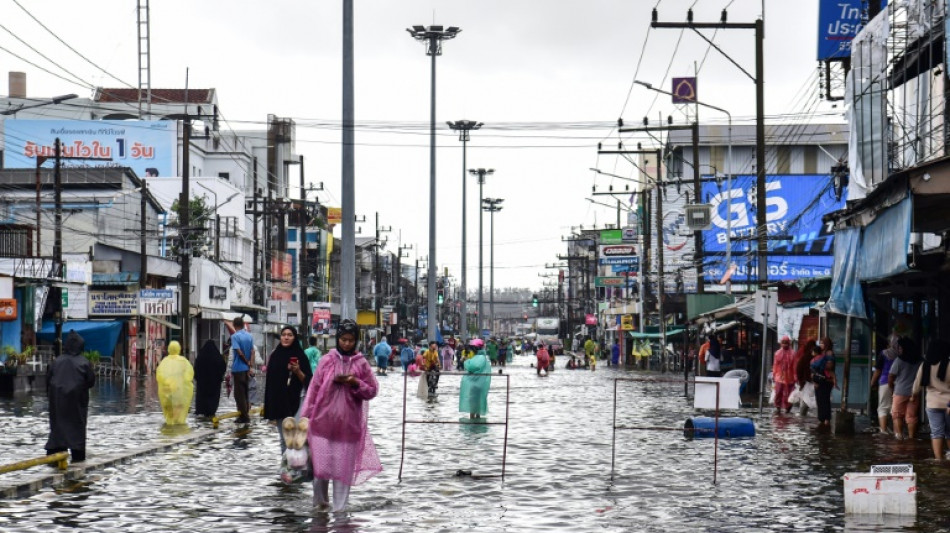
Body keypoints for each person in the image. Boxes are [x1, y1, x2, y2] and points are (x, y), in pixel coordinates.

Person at [299, 319, 381, 512]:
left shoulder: (361, 364)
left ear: (356, 341)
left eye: (350, 340)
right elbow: (313, 389)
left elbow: (372, 390)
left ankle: (340, 514)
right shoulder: (327, 360)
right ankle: (320, 511)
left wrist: (355, 382)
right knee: (320, 472)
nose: (346, 343)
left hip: (348, 428)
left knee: (343, 474)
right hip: (321, 425)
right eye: (343, 339)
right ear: (338, 339)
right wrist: (305, 418)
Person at [45, 330, 95, 462]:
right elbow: (91, 381)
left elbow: (48, 381)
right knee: (76, 434)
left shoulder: (56, 362)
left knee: (57, 430)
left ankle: (55, 453)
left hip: (57, 403)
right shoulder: (84, 363)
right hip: (77, 404)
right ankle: (77, 455)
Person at [263, 325, 313, 450]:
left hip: (297, 400)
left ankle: (299, 466)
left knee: (297, 436)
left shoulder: (301, 356)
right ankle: (286, 467)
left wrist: (298, 371)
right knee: (284, 437)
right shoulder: (275, 355)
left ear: (294, 338)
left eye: (289, 335)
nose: (286, 337)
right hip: (280, 402)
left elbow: (310, 382)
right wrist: (270, 405)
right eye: (284, 335)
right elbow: (270, 383)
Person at [914, 339, 950, 459]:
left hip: (932, 404)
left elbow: (917, 385)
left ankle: (938, 460)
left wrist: (913, 395)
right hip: (948, 404)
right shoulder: (949, 364)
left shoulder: (925, 365)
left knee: (936, 433)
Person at [888, 337, 922, 440]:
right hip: (914, 393)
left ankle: (899, 436)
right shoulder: (920, 360)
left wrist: (891, 388)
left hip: (900, 391)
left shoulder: (899, 360)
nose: (899, 349)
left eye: (901, 347)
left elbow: (891, 376)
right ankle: (911, 437)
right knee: (911, 416)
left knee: (897, 415)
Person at [156, 340, 194, 426]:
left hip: (167, 391)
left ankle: (170, 424)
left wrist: (167, 383)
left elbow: (159, 375)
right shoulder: (183, 361)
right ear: (179, 349)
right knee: (179, 408)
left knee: (169, 409)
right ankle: (179, 425)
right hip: (179, 391)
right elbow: (189, 375)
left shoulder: (164, 361)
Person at [230, 316, 257, 424]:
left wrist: (246, 362)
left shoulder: (235, 336)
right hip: (247, 369)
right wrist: (250, 365)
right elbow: (252, 352)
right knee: (246, 392)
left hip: (238, 368)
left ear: (234, 325)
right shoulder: (249, 336)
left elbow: (239, 352)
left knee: (239, 394)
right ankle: (244, 414)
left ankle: (244, 417)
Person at [870, 334, 898, 433]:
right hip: (899, 384)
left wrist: (872, 382)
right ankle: (897, 432)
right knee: (895, 408)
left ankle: (883, 430)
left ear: (889, 343)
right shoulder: (901, 354)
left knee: (882, 408)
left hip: (885, 382)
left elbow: (878, 370)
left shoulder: (884, 353)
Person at [194, 339, 226, 417]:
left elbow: (196, 368)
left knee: (202, 396)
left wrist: (198, 378)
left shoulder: (200, 356)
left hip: (202, 383)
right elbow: (222, 367)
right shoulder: (218, 357)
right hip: (214, 383)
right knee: (213, 398)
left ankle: (201, 410)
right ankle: (211, 411)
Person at [460, 340, 491, 418]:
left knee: (473, 403)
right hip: (479, 384)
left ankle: (473, 422)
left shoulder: (480, 357)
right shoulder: (482, 357)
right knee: (477, 403)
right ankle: (476, 422)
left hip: (476, 384)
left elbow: (473, 367)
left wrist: (466, 361)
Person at [811, 341, 837, 429]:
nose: (821, 345)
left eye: (823, 343)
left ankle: (826, 419)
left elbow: (829, 367)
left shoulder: (828, 353)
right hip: (819, 380)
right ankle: (822, 418)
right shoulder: (820, 355)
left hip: (826, 380)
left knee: (824, 399)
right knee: (820, 399)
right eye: (820, 343)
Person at [772, 335, 797, 414]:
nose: (785, 345)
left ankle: (788, 407)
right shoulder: (777, 353)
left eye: (786, 343)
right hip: (779, 376)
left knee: (789, 393)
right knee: (778, 391)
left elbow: (794, 366)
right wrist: (774, 374)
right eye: (783, 343)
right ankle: (778, 406)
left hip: (790, 377)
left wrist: (795, 376)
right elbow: (775, 364)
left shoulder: (793, 353)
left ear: (789, 343)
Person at [795, 338, 818, 416]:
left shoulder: (806, 356)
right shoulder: (808, 357)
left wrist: (801, 381)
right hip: (809, 381)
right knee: (807, 400)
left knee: (807, 400)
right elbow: (799, 369)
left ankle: (803, 416)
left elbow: (798, 369)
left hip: (808, 381)